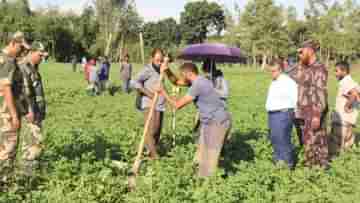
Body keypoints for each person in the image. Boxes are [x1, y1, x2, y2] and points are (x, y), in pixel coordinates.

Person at [158, 63, 231, 177]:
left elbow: (177, 105)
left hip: (217, 122)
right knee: (201, 153)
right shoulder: (200, 80)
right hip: (210, 121)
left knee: (210, 157)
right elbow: (176, 81)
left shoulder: (198, 85)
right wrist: (167, 71)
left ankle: (208, 183)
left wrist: (163, 93)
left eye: (182, 75)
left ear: (189, 74)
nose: (181, 77)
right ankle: (198, 176)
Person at [288, 40, 329, 168]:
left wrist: (317, 115)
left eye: (302, 51)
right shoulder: (304, 67)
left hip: (313, 112)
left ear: (310, 50)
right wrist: (300, 62)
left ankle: (317, 170)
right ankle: (311, 168)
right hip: (302, 112)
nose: (299, 54)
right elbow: (288, 74)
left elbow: (320, 93)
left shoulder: (319, 69)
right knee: (306, 143)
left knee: (316, 143)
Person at [0, 31, 30, 183]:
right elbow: (5, 88)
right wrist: (13, 115)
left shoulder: (4, 58)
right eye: (20, 47)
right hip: (6, 113)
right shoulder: (8, 61)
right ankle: (4, 184)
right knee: (8, 149)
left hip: (4, 111)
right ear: (12, 43)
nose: (23, 51)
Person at [17, 42, 47, 176]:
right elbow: (25, 92)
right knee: (32, 143)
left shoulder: (34, 67)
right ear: (32, 52)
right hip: (31, 112)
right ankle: (28, 174)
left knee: (36, 142)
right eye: (40, 55)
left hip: (37, 112)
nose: (42, 58)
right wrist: (29, 110)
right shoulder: (24, 68)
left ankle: (33, 171)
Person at [133, 48, 167, 159]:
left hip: (160, 104)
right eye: (157, 60)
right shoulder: (147, 69)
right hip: (149, 103)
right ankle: (153, 154)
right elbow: (135, 82)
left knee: (157, 130)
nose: (159, 62)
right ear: (152, 59)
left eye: (161, 60)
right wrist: (148, 93)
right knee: (151, 129)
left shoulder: (163, 69)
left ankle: (146, 150)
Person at [265, 59, 297, 169]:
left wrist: (292, 114)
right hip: (273, 115)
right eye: (270, 71)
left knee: (283, 139)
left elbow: (295, 99)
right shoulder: (274, 81)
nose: (271, 73)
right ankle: (279, 161)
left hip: (283, 114)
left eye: (273, 71)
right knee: (275, 139)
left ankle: (288, 164)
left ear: (280, 70)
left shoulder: (288, 82)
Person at [329, 61, 360, 156]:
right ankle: (344, 164)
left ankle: (334, 167)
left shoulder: (346, 82)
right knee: (347, 146)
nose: (335, 74)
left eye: (337, 71)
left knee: (336, 147)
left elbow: (354, 94)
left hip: (342, 120)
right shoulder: (353, 82)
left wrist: (347, 106)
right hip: (349, 120)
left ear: (344, 71)